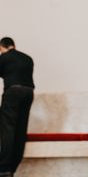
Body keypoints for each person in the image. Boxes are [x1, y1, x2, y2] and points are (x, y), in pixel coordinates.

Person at [0, 37, 35, 177]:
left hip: (13, 92)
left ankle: (3, 169)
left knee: (7, 128)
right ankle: (13, 167)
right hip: (29, 93)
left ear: (2, 47)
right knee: (21, 129)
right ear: (13, 45)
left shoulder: (4, 57)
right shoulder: (28, 59)